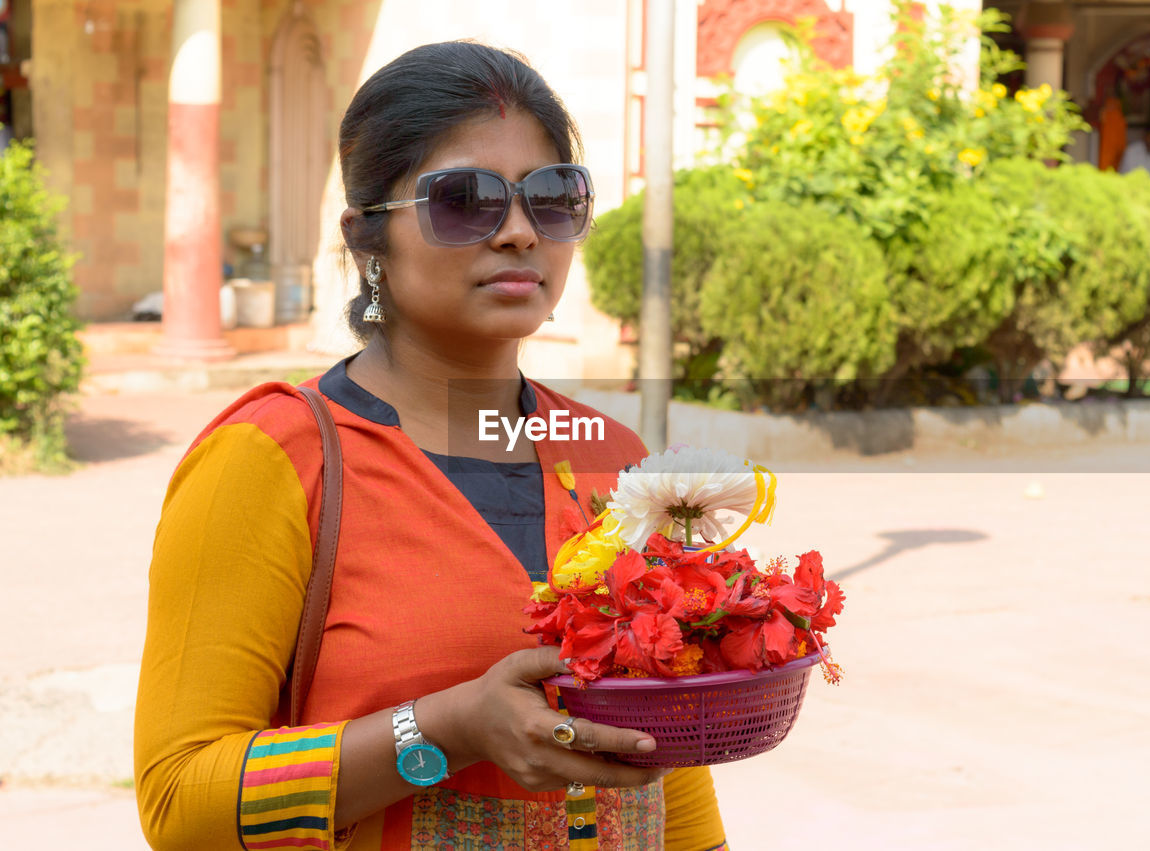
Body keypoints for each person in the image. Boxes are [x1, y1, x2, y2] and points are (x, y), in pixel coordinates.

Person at [134, 42, 728, 851]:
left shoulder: (611, 457)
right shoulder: (275, 457)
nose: (519, 232)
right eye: (464, 200)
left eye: (553, 198)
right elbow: (181, 804)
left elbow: (673, 770)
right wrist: (443, 731)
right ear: (367, 240)